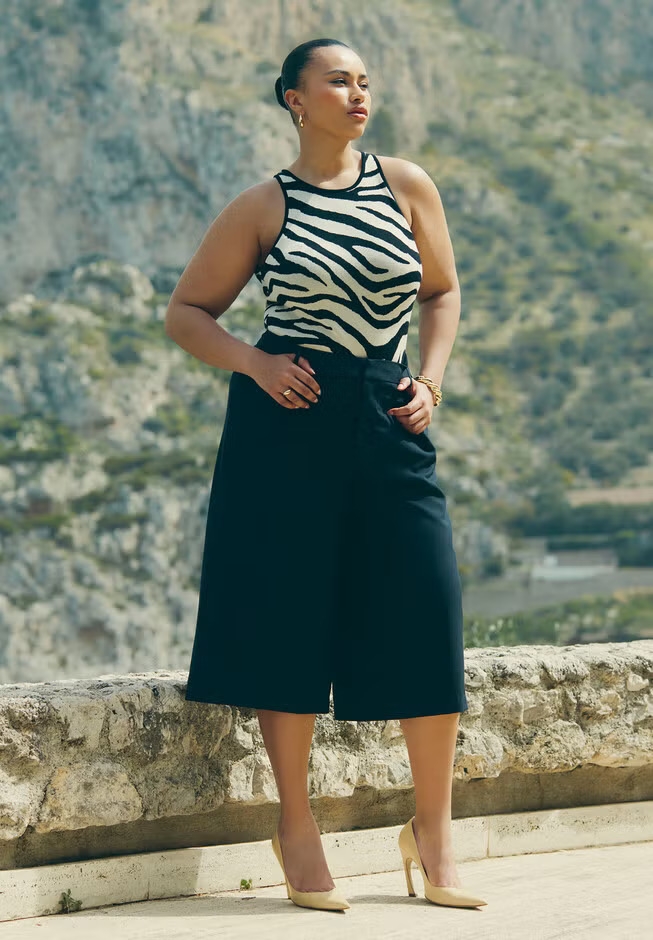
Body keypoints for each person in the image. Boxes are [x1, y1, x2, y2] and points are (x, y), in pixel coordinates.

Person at [165, 37, 486, 913]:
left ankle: (433, 833)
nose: (358, 93)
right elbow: (187, 313)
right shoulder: (262, 205)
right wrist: (254, 363)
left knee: (427, 604)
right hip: (286, 421)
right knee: (286, 616)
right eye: (337, 80)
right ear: (293, 100)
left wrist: (431, 378)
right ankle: (297, 830)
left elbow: (442, 290)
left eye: (364, 81)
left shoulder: (406, 184)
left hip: (388, 415)